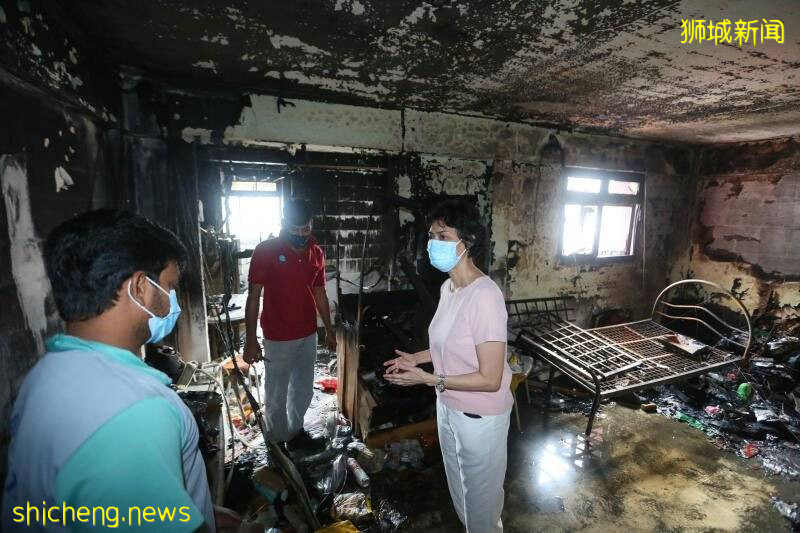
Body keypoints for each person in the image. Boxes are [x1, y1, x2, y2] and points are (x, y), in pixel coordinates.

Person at [2, 209, 215, 532]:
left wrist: (194, 511)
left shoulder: (44, 376)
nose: (172, 302)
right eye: (169, 287)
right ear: (140, 287)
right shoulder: (136, 411)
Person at [384, 198, 512, 533]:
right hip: (449, 407)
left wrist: (428, 378)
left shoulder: (485, 296)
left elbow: (490, 377)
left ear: (466, 242)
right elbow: (448, 342)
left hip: (480, 417)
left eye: (442, 237)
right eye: (431, 236)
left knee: (482, 508)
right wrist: (417, 357)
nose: (432, 245)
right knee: (462, 498)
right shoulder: (448, 287)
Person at [243, 198, 336, 449]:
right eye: (295, 230)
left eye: (305, 229)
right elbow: (254, 297)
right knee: (276, 393)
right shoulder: (266, 250)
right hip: (278, 335)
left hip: (307, 333)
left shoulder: (317, 252)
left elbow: (320, 294)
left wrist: (329, 329)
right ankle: (278, 440)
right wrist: (251, 340)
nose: (300, 235)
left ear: (311, 224)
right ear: (284, 224)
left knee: (303, 389)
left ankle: (295, 432)